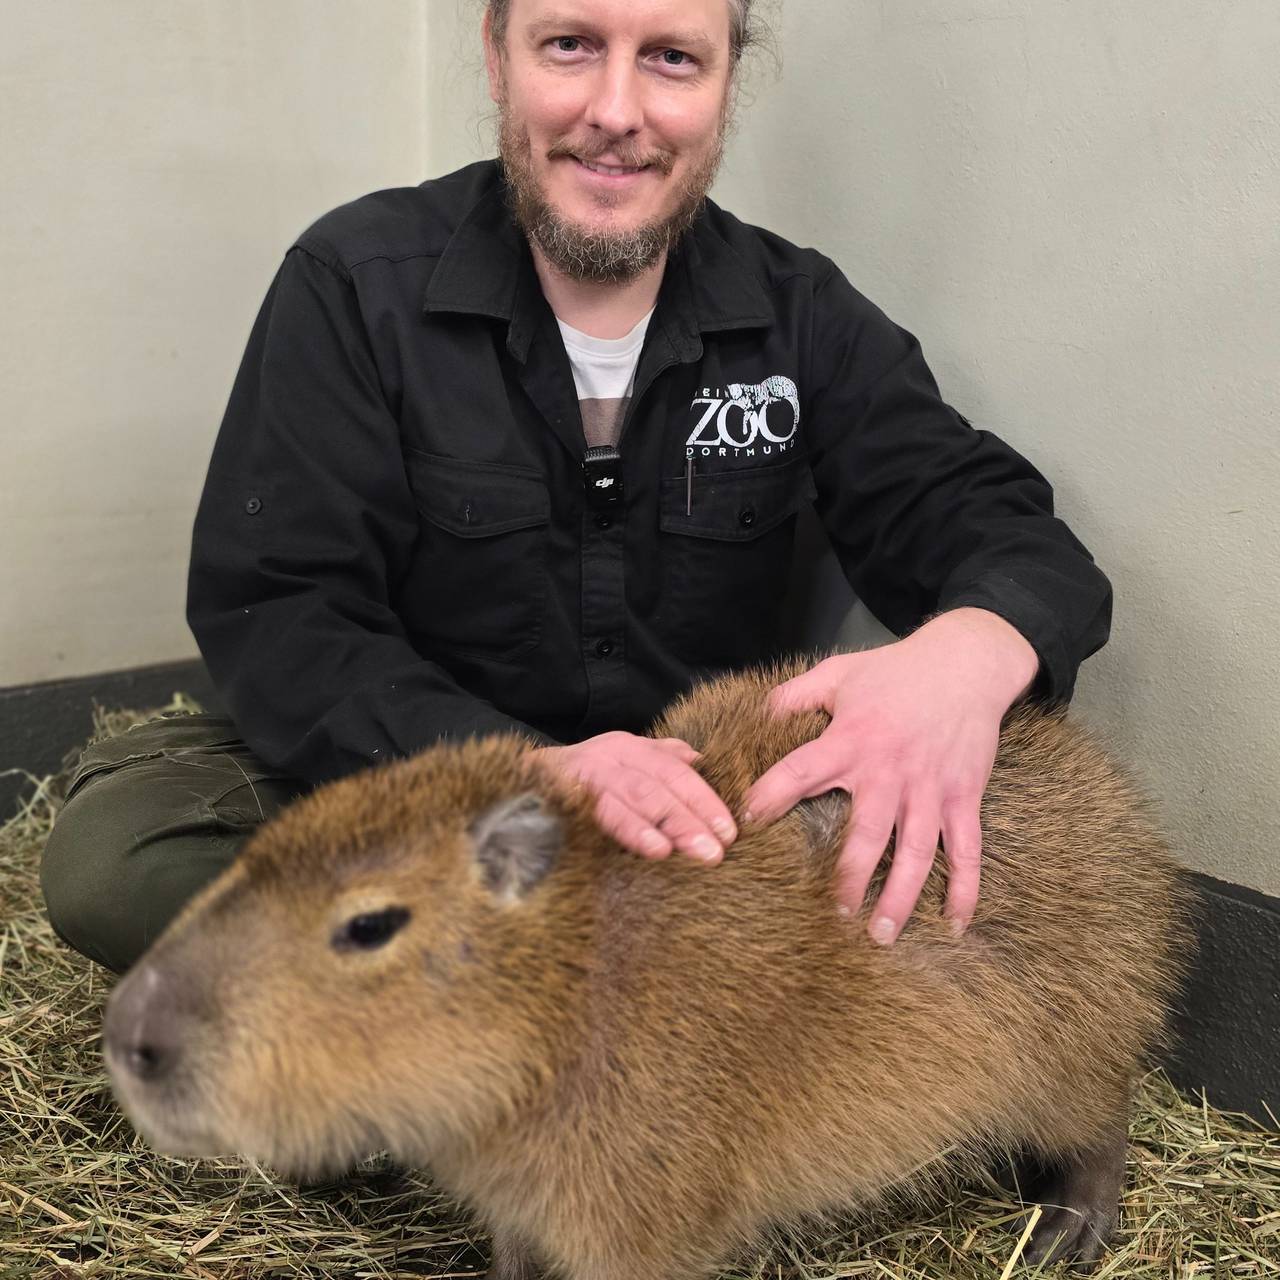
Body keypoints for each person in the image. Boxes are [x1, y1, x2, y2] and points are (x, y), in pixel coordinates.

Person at [40, 0, 1110, 976]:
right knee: (117, 856)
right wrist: (527, 772)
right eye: (569, 45)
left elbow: (1004, 532)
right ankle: (567, 1003)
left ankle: (481, 1015)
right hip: (430, 788)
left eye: (672, 59)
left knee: (943, 865)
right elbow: (284, 615)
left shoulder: (804, 318)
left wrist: (964, 657)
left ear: (726, 83)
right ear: (496, 57)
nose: (615, 112)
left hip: (688, 824)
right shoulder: (354, 283)